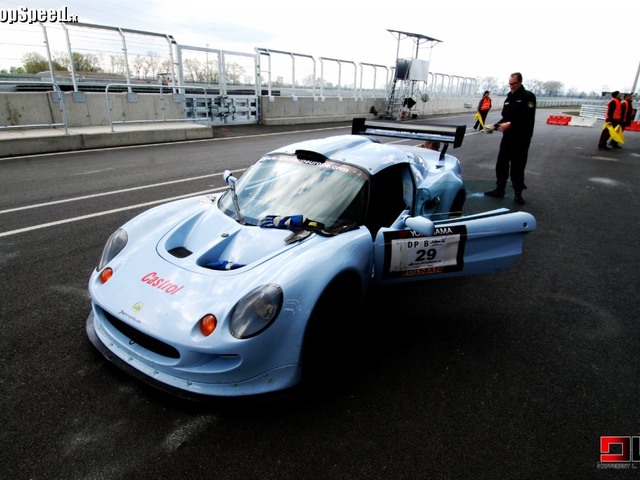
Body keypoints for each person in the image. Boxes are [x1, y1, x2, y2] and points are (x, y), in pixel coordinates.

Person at [484, 72, 536, 205]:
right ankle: (500, 189)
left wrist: (511, 124)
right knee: (501, 163)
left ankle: (518, 193)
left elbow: (527, 118)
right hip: (508, 137)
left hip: (521, 138)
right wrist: (494, 126)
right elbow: (506, 118)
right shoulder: (509, 98)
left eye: (514, 84)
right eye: (510, 84)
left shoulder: (528, 97)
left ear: (520, 82)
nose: (512, 86)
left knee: (517, 166)